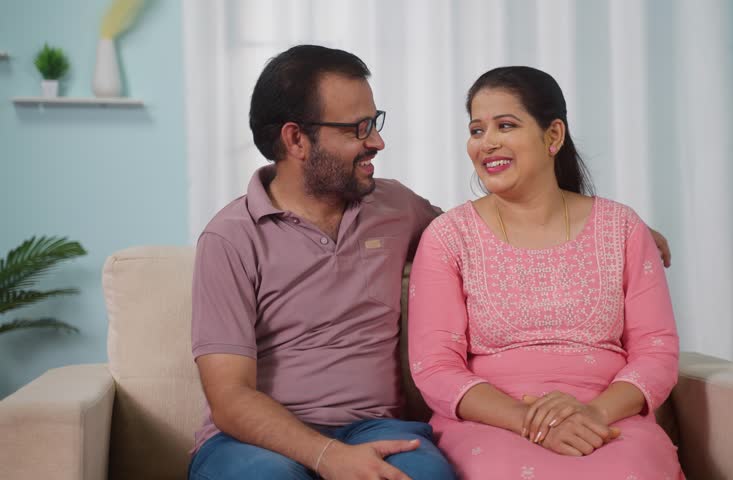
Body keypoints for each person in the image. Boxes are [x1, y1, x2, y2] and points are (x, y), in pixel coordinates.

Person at [189, 45, 672, 479]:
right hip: (259, 442)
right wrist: (326, 457)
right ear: (296, 140)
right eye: (359, 129)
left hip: (377, 427)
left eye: (375, 122)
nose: (377, 142)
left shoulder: (395, 208)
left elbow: (496, 232)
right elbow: (230, 398)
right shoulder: (230, 238)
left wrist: (622, 232)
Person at [407, 66, 684, 479]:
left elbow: (657, 351)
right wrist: (531, 422)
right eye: (477, 130)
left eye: (505, 125)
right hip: (492, 423)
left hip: (607, 418)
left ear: (553, 135)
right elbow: (435, 368)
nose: (487, 142)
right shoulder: (450, 237)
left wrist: (592, 413)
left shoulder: (622, 228)